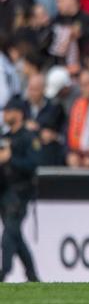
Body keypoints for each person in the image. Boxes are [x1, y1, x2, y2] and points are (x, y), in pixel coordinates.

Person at [0, 97, 39, 282]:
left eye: (8, 111)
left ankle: (3, 271)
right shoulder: (5, 137)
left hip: (20, 192)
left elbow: (33, 164)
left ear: (18, 113)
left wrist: (10, 159)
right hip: (4, 192)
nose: (5, 115)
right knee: (15, 235)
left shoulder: (28, 137)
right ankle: (32, 275)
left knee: (9, 233)